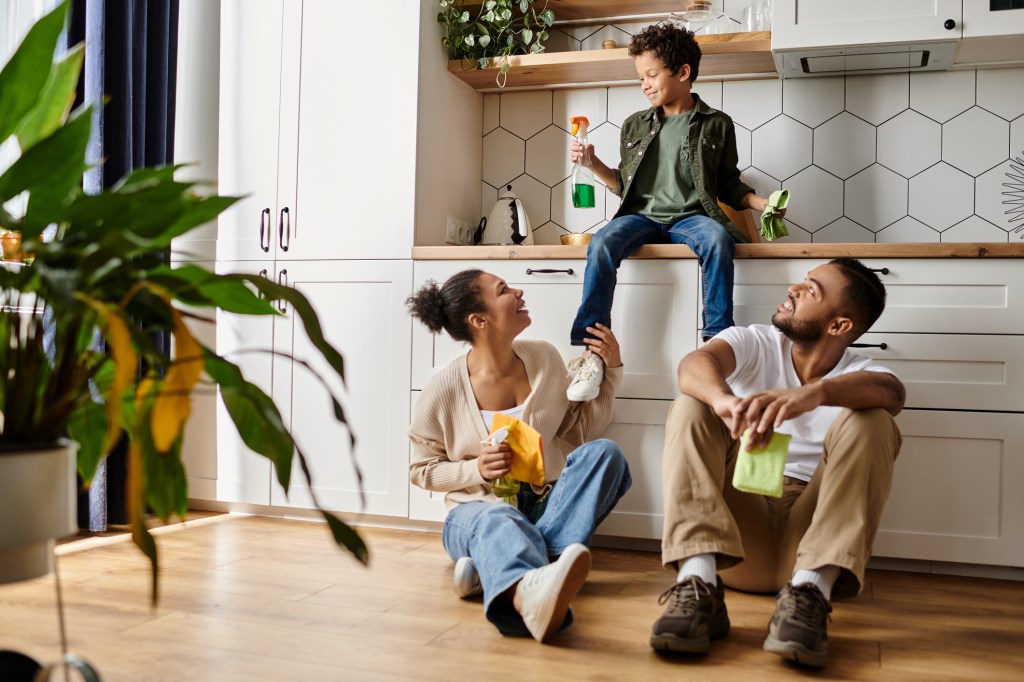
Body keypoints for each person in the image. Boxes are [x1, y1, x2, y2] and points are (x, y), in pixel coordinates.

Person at [650, 258, 905, 668]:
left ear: (839, 326)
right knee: (691, 404)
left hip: (808, 542)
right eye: (803, 281)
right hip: (737, 536)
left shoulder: (861, 372)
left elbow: (892, 393)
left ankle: (810, 593)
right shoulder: (757, 341)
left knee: (875, 420)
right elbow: (692, 366)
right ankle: (697, 583)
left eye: (812, 289)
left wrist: (815, 394)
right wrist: (723, 400)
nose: (794, 288)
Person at [406, 268, 632, 643]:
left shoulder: (544, 358)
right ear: (479, 320)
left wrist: (612, 370)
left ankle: (501, 565)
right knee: (498, 516)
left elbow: (576, 432)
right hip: (476, 512)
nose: (519, 291)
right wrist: (475, 470)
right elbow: (420, 469)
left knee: (605, 454)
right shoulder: (442, 389)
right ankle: (528, 586)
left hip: (546, 506)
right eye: (505, 290)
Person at [566, 22, 782, 403]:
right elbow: (625, 184)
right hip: (641, 216)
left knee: (717, 240)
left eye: (651, 74)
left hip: (691, 217)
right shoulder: (635, 124)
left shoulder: (716, 124)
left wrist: (763, 204)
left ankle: (717, 346)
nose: (645, 84)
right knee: (602, 243)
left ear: (682, 73)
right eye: (640, 78)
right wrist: (593, 163)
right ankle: (593, 354)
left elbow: (728, 183)